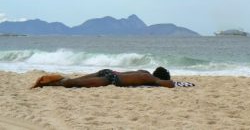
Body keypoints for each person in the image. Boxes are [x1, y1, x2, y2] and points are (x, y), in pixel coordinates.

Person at [31, 67, 175, 89]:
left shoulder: (143, 72)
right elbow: (167, 84)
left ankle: (51, 81)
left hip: (108, 72)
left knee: (78, 80)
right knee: (72, 83)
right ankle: (49, 81)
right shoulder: (150, 78)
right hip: (110, 79)